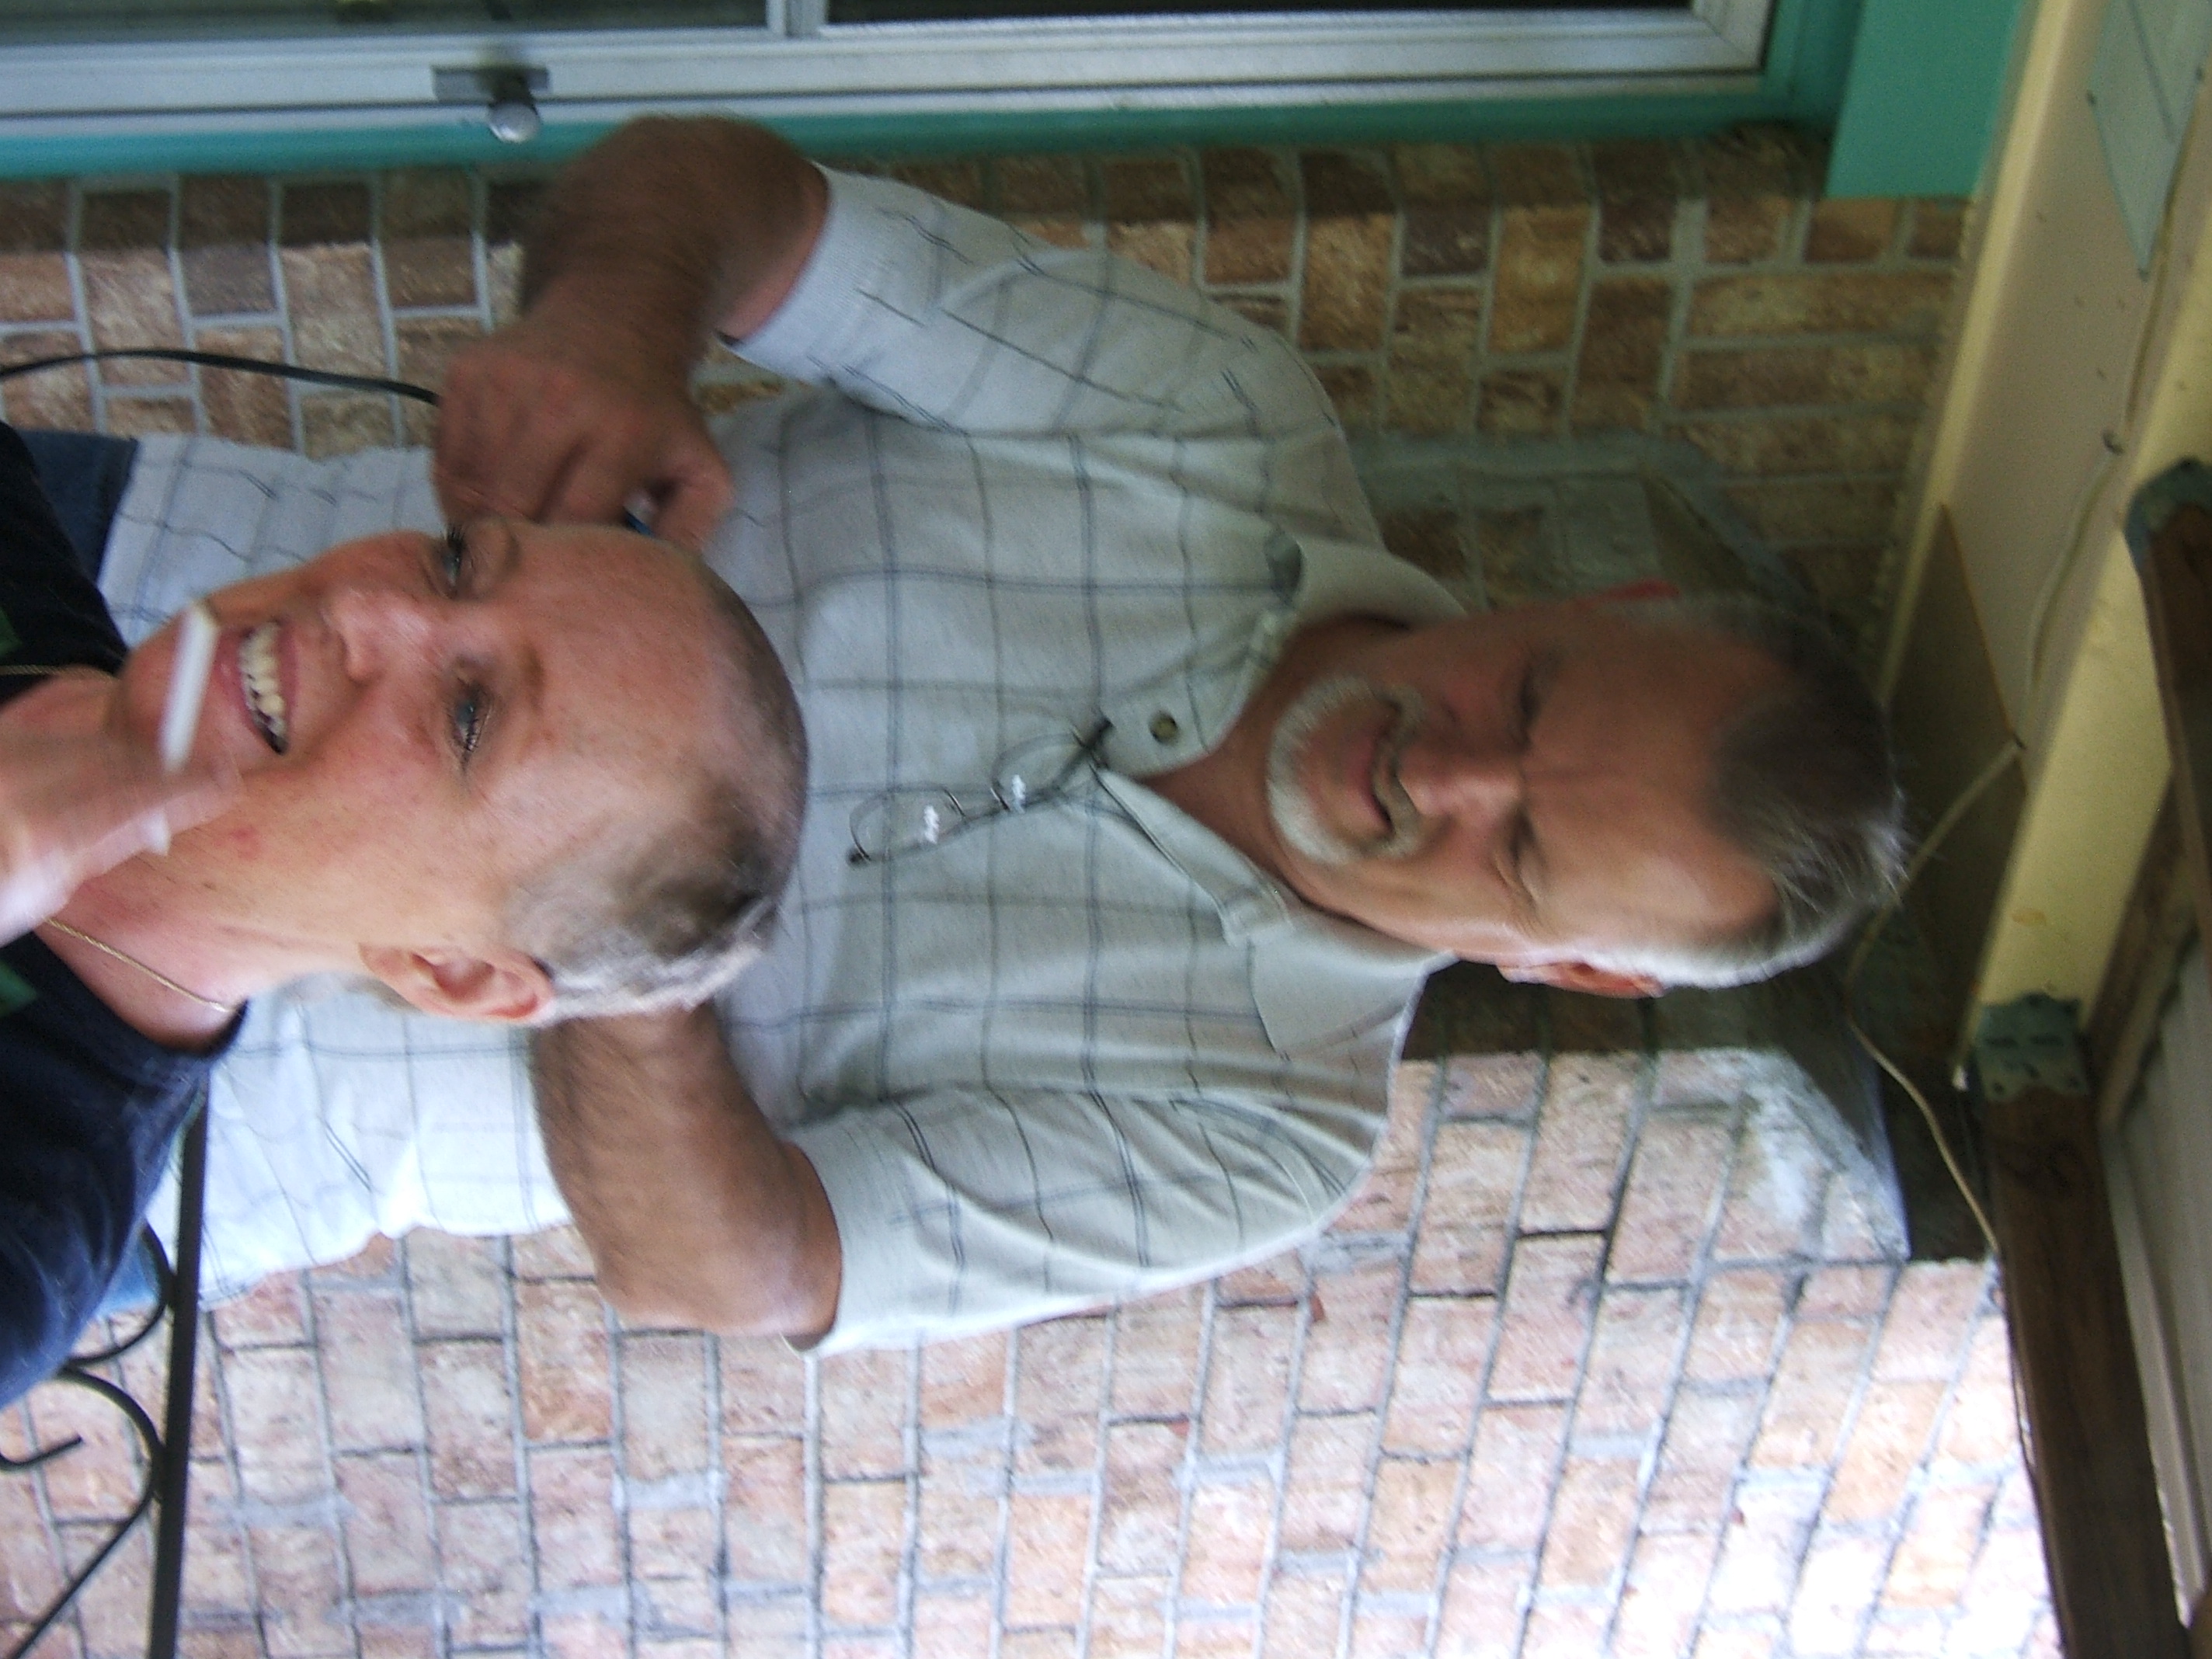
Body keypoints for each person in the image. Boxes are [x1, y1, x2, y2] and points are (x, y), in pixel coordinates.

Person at [68, 117, 1902, 1354]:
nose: (1439, 769)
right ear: (1604, 600)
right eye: (1531, 697)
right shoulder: (1215, 416)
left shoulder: (1267, 1131)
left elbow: (731, 1269)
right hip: (118, 592)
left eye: (1520, 847)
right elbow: (715, 191)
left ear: (1573, 972)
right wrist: (619, 322)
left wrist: (633, 951)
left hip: (176, 1111)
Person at [0, 417, 804, 1407]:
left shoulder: (26, 1231)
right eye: (455, 564)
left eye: (469, 716)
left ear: (451, 971)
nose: (365, 606)